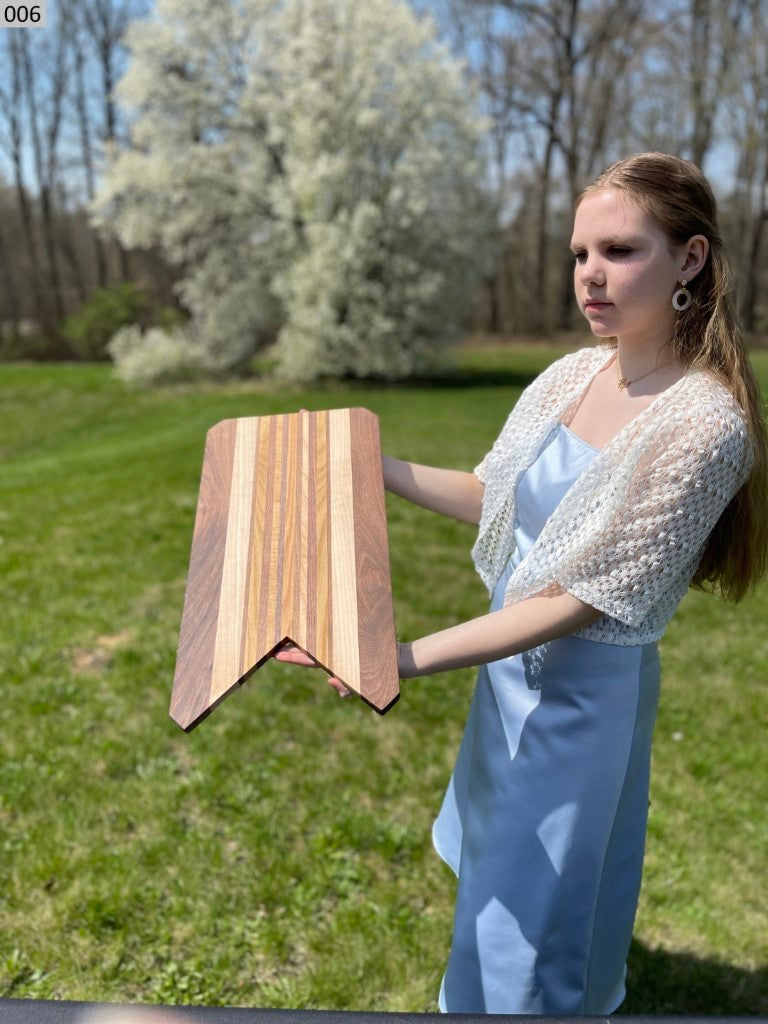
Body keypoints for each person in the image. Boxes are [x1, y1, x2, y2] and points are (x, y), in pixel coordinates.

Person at [276, 152, 768, 1014]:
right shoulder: (572, 374)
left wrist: (397, 656)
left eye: (619, 251)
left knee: (533, 937)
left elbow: (573, 603)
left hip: (582, 706)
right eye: (579, 255)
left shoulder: (706, 421)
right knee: (496, 892)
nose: (591, 277)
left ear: (690, 259)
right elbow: (493, 495)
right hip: (505, 681)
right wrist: (367, 463)